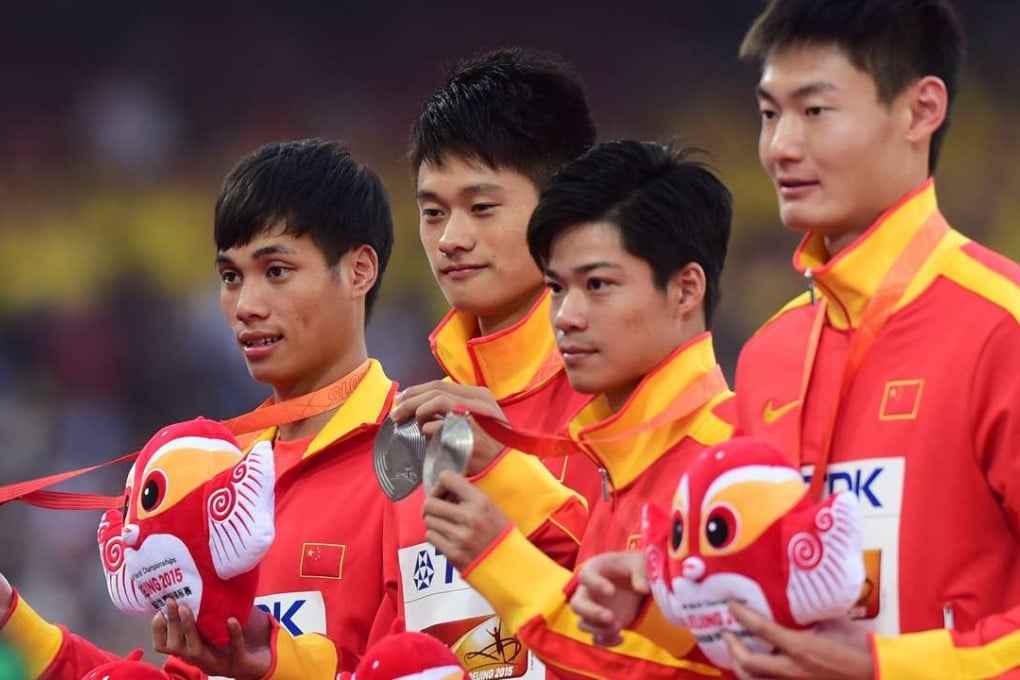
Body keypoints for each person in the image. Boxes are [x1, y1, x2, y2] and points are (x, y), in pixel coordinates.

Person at [574, 1, 1020, 678]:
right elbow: (773, 613)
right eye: (768, 113)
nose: (780, 146)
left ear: (920, 111)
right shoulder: (769, 356)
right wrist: (661, 606)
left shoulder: (1000, 326)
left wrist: (887, 667)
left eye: (814, 111)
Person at [0, 139, 400, 679]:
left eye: (276, 271)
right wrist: (11, 621)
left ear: (359, 271)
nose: (246, 306)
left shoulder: (417, 457)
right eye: (231, 277)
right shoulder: (214, 477)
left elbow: (442, 667)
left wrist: (277, 665)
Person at [420, 140, 737, 678]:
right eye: (557, 289)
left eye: (598, 285)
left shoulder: (732, 461)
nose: (565, 316)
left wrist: (500, 560)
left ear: (686, 289)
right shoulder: (617, 469)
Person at [383, 48, 602, 675]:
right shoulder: (413, 431)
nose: (450, 239)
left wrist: (503, 470)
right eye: (432, 212)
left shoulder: (621, 397)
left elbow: (657, 615)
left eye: (481, 208)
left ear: (564, 208)